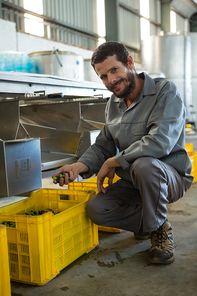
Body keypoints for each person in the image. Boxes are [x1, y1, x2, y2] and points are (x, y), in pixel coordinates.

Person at [52, 41, 193, 264]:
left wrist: (115, 161)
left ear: (129, 62)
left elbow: (161, 141)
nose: (111, 80)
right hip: (132, 183)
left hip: (168, 177)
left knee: (144, 164)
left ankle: (158, 229)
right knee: (98, 209)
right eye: (103, 76)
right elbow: (103, 144)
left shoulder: (164, 91)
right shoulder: (113, 104)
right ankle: (151, 221)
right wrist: (79, 167)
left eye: (114, 70)